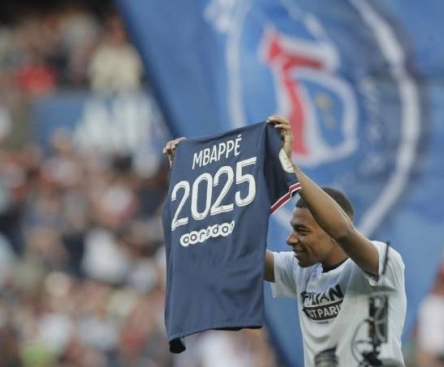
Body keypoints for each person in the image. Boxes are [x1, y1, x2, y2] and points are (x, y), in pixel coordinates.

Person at [163, 116, 406, 366]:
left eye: (302, 231)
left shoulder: (382, 264)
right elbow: (231, 248)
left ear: (329, 231)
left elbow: (344, 231)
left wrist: (290, 167)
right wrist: (193, 183)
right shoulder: (302, 272)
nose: (291, 240)